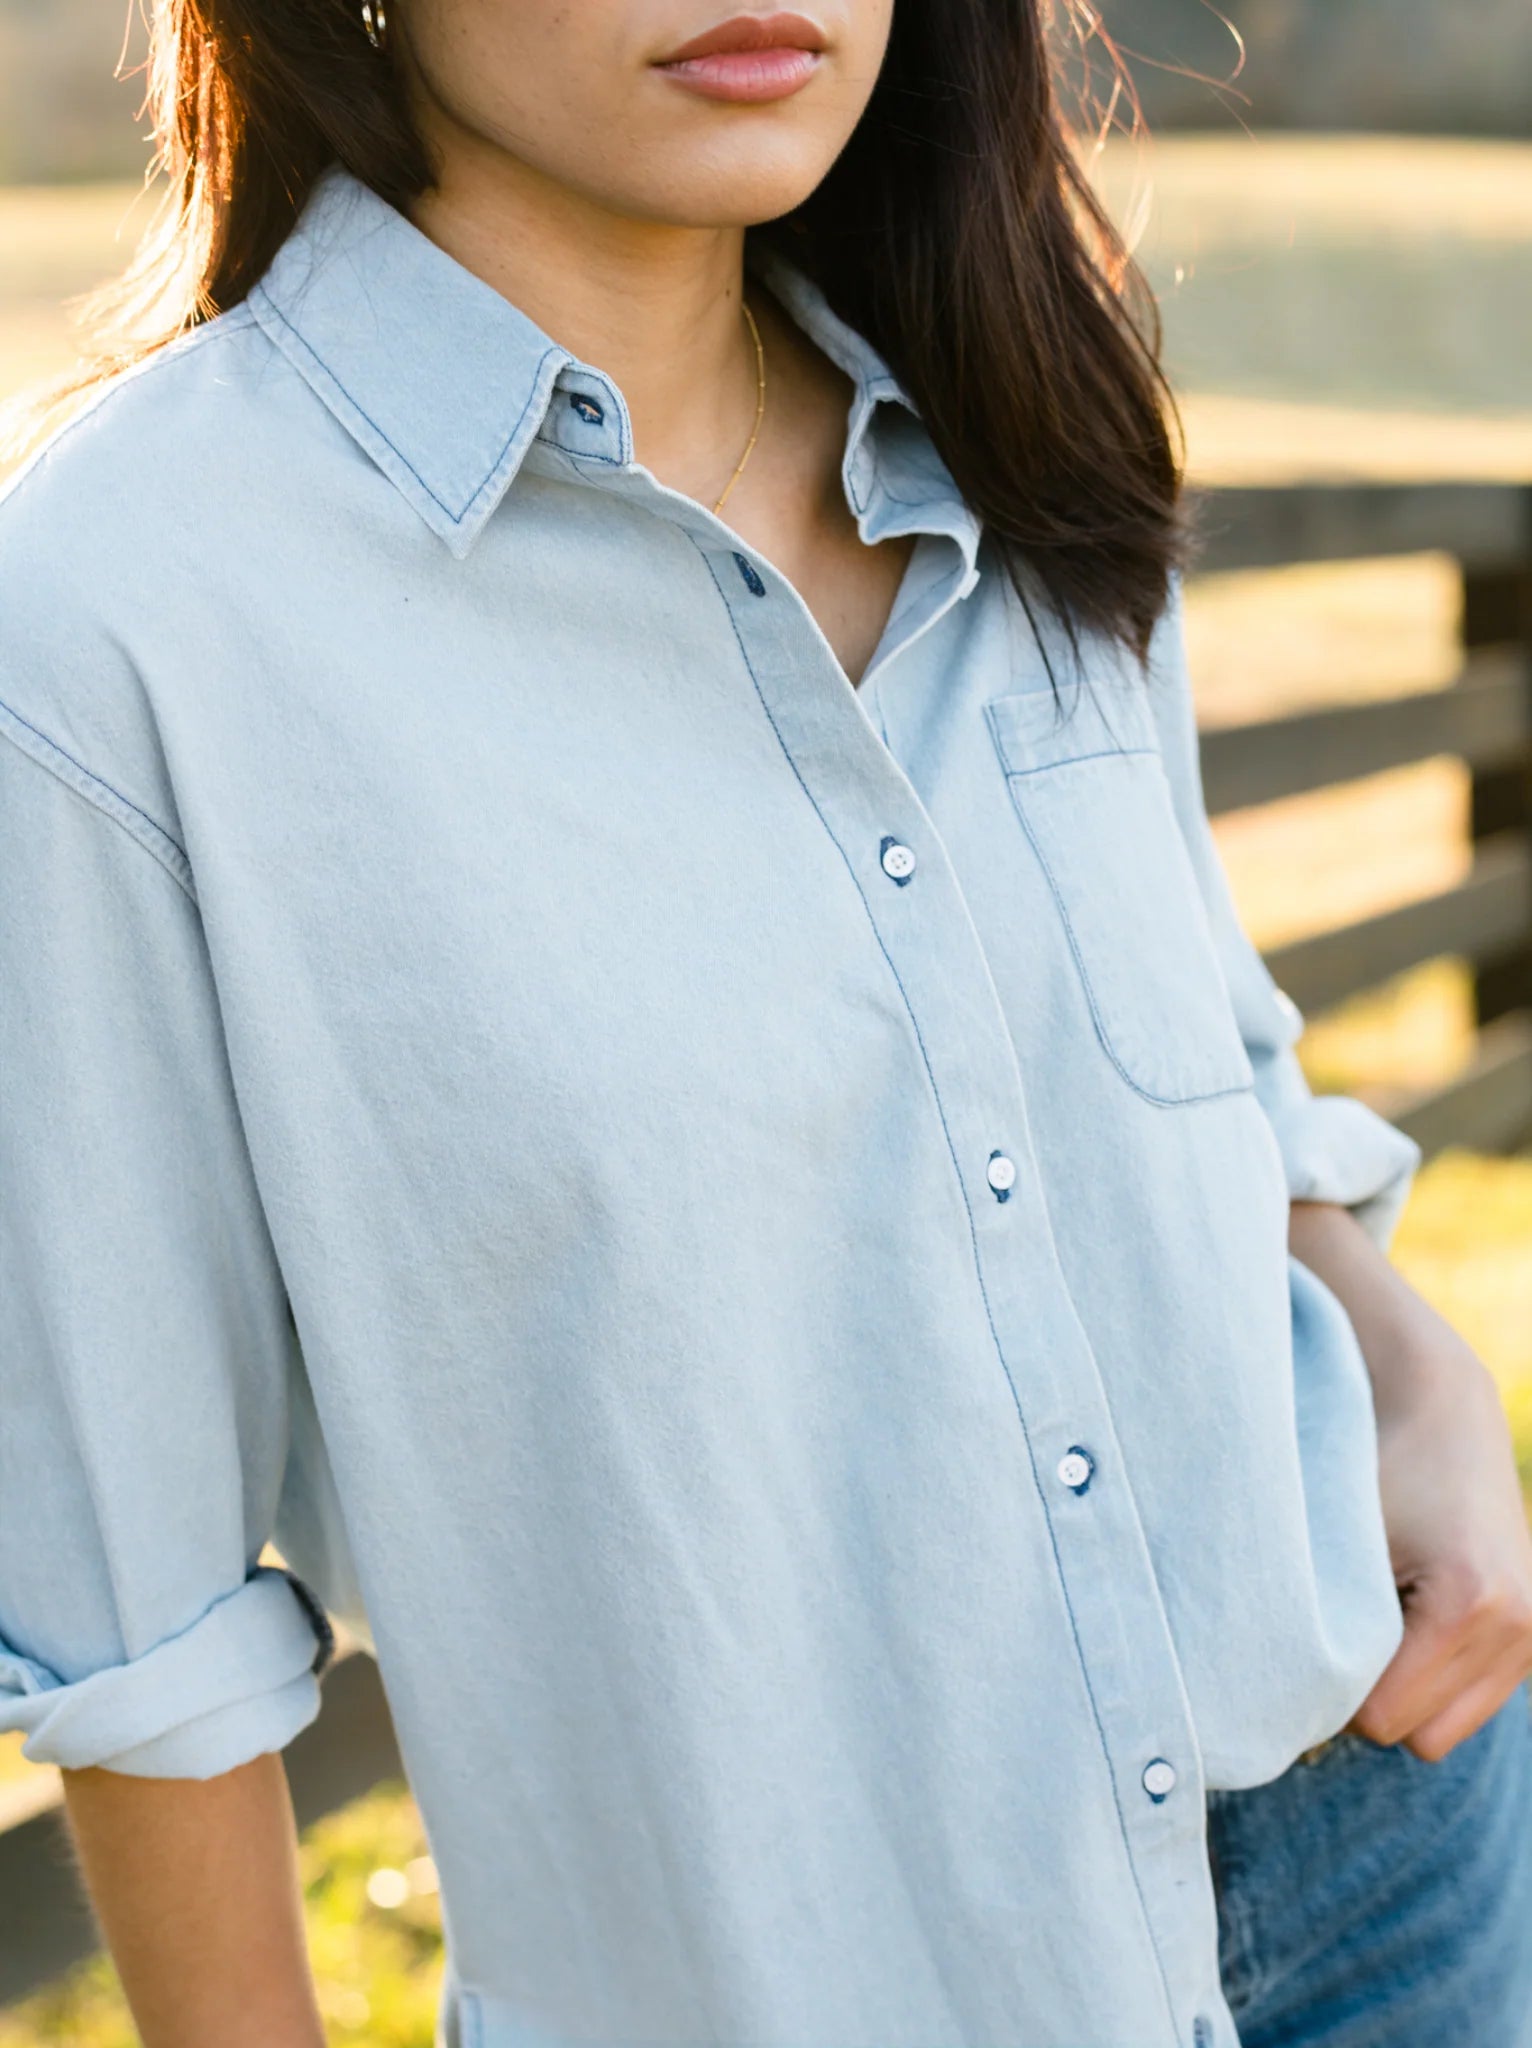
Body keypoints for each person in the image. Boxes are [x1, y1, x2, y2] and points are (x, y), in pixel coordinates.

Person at [1, 4, 1529, 2045]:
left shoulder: (1020, 402)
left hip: (1394, 1847)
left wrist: (1410, 1364)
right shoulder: (119, 621)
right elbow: (136, 1603)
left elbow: (1195, 1055)